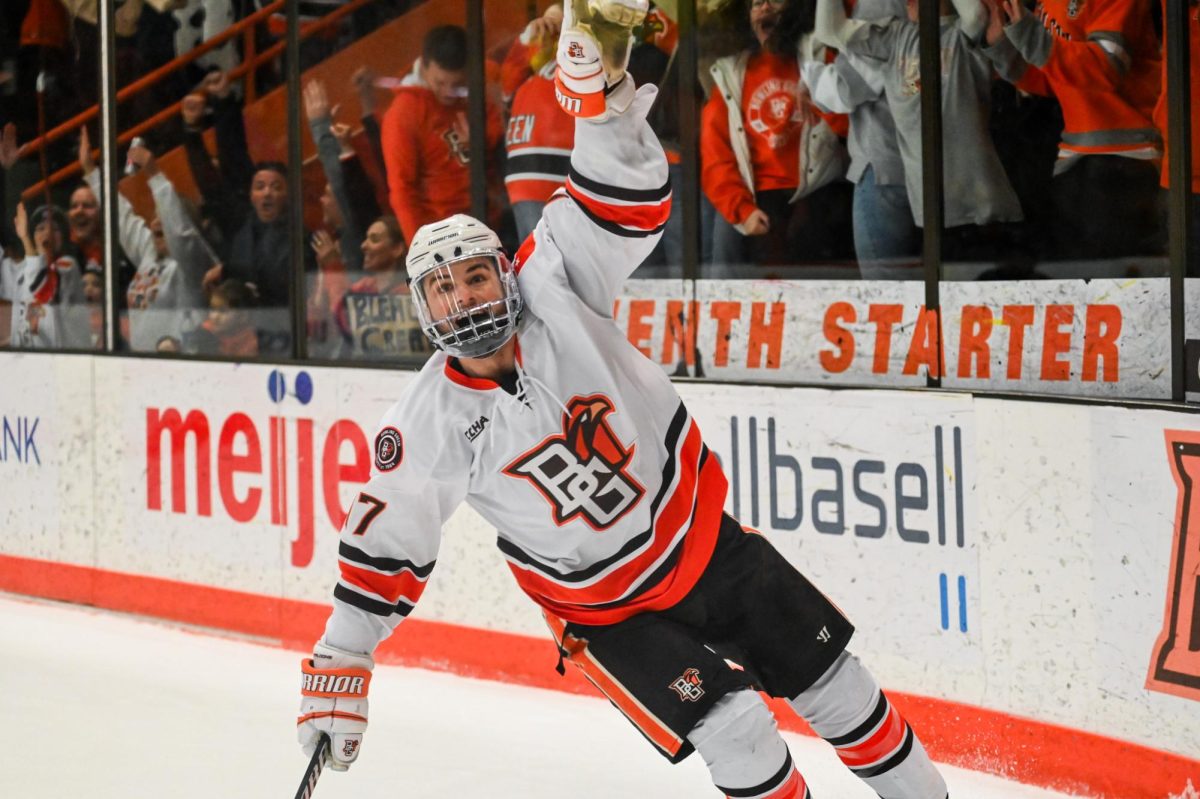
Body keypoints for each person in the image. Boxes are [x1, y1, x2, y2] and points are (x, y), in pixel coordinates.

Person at [297, 6, 950, 798]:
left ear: (503, 270)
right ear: (423, 308)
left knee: (839, 685)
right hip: (608, 612)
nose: (463, 295)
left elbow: (623, 201)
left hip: (706, 543)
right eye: (442, 285)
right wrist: (342, 657)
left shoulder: (553, 279)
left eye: (473, 273)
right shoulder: (428, 420)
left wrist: (601, 100)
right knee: (735, 727)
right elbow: (385, 547)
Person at [813, 0, 1025, 260]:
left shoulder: (965, 35)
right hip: (930, 215)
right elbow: (830, 31)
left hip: (983, 210)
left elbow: (976, 14)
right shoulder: (896, 37)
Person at [988, 0, 1162, 261]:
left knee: (1107, 278)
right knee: (1076, 276)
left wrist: (1031, 37)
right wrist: (1001, 45)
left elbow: (1105, 66)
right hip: (1075, 155)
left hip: (1127, 157)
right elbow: (1051, 77)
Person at [701, 0, 854, 272]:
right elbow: (716, 158)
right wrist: (742, 211)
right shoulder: (729, 76)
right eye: (756, 3)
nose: (764, 8)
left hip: (815, 199)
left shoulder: (820, 61)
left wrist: (820, 95)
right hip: (753, 200)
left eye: (776, 0)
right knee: (727, 296)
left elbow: (853, 130)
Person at [379, 24, 503, 245]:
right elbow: (402, 190)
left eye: (457, 84)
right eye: (440, 83)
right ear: (424, 67)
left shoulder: (477, 91)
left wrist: (480, 145)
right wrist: (420, 250)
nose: (448, 92)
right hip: (443, 237)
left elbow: (500, 136)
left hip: (490, 222)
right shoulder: (404, 112)